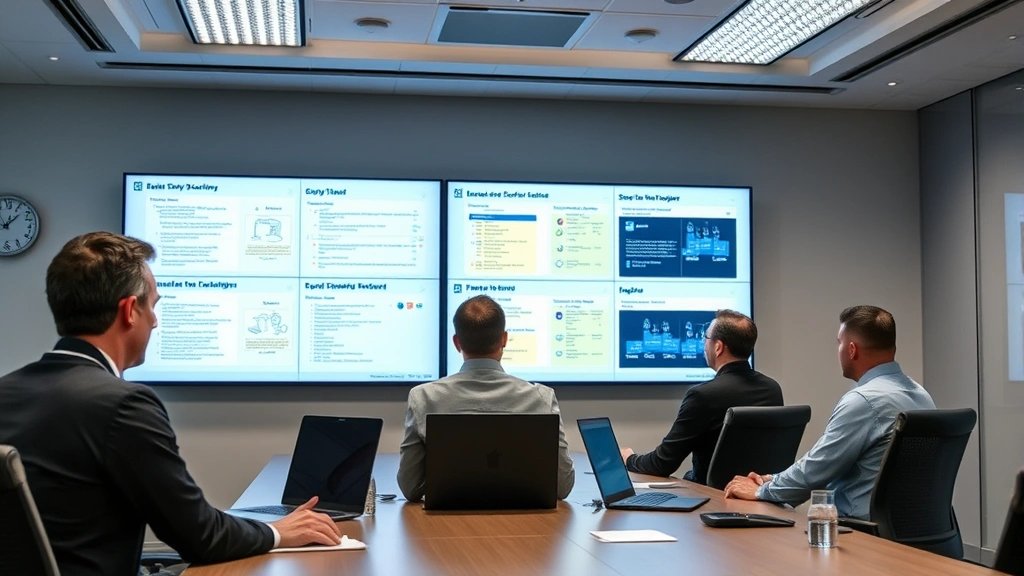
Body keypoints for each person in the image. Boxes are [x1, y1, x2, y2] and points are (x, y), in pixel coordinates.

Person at [0, 232, 342, 576]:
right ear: (130, 310)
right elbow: (199, 536)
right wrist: (276, 532)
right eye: (153, 305)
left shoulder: (6, 391)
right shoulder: (122, 405)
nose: (156, 320)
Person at [724, 305, 936, 520]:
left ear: (852, 350)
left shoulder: (864, 401)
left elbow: (817, 470)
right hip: (911, 531)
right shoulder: (922, 396)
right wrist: (772, 479)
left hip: (863, 536)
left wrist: (760, 491)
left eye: (839, 343)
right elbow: (828, 466)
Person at [397, 295, 575, 501]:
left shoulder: (424, 397)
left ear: (457, 342)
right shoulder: (541, 397)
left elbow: (410, 488)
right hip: (526, 525)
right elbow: (562, 487)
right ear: (504, 339)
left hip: (448, 525)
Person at [620, 310, 783, 482]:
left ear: (718, 347)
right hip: (760, 497)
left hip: (715, 499)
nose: (704, 343)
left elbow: (662, 464)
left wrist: (629, 459)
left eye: (706, 338)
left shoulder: (703, 396)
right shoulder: (772, 389)